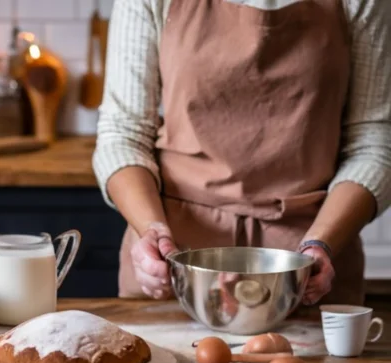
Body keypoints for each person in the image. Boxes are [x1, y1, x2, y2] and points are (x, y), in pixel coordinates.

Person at [92, 0, 391, 307]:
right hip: (175, 259)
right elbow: (123, 133)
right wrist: (151, 230)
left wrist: (322, 243)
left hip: (307, 264)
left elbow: (373, 143)